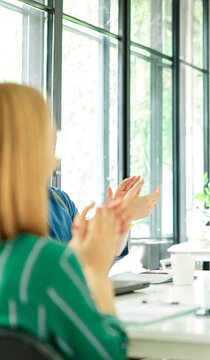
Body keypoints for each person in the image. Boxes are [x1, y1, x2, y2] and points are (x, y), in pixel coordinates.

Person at [0, 83, 129, 359]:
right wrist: (94, 272)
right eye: (49, 147)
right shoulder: (46, 264)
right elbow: (108, 354)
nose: (55, 161)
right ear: (27, 159)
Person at [48, 175, 161, 258]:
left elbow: (104, 251)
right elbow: (57, 265)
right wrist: (122, 213)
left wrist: (122, 217)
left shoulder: (61, 199)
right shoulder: (30, 215)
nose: (54, 160)